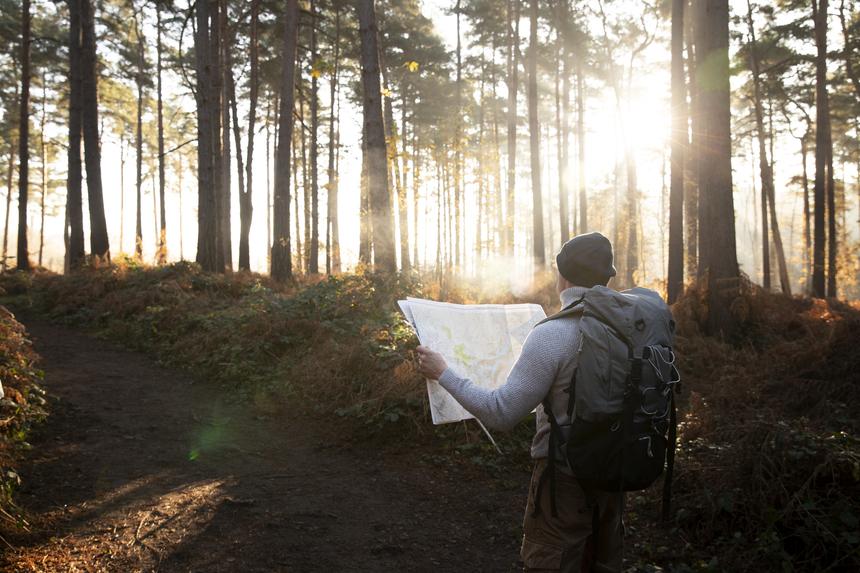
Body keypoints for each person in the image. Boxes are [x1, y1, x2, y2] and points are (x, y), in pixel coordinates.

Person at [416, 232, 624, 573]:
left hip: (563, 486)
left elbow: (502, 413)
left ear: (563, 276)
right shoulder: (624, 329)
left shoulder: (551, 334)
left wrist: (444, 373)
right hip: (615, 479)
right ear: (606, 278)